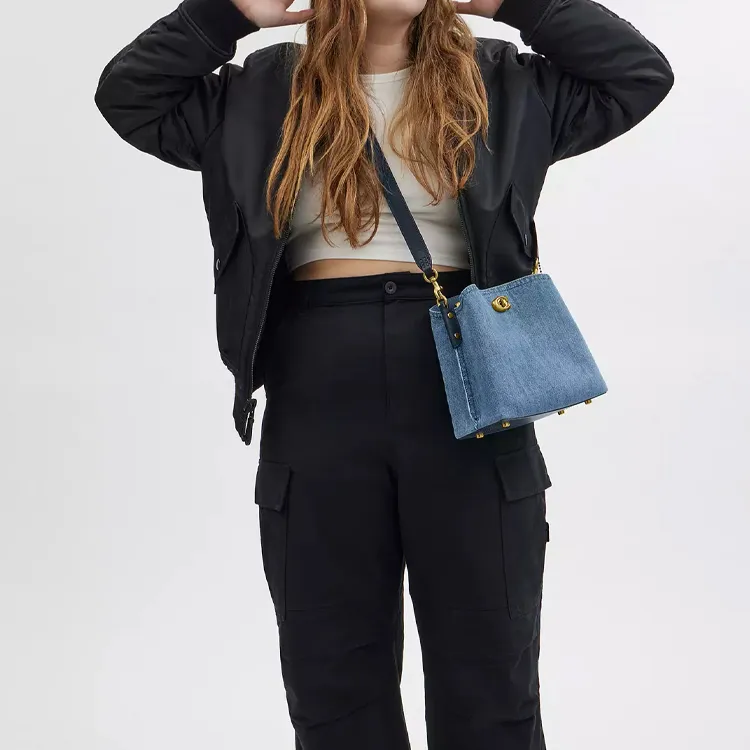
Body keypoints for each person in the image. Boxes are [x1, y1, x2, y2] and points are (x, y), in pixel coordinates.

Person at [94, 0, 673, 747]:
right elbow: (130, 95)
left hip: (470, 381)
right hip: (316, 386)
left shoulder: (502, 81)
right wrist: (229, 13)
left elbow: (637, 75)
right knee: (332, 680)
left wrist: (514, 5)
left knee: (491, 678)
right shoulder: (262, 88)